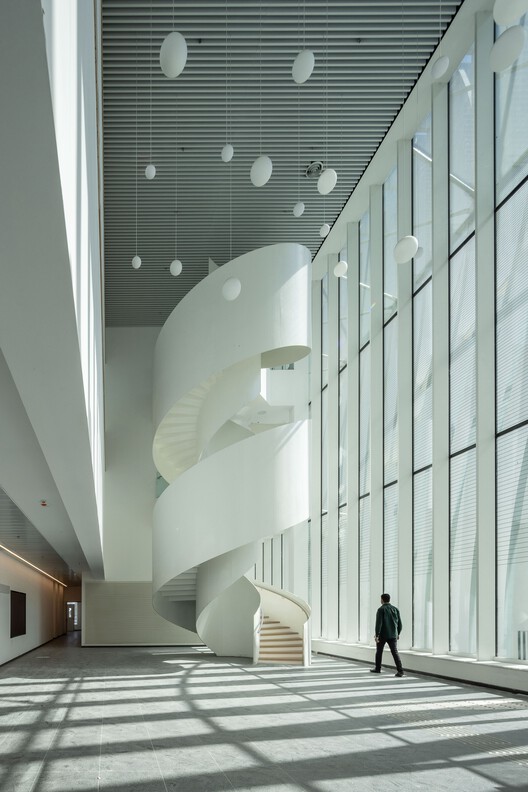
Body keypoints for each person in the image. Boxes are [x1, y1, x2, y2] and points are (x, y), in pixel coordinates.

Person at [370, 593, 404, 677]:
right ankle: (400, 671)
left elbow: (379, 624)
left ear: (382, 599)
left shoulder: (381, 610)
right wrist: (397, 633)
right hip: (393, 635)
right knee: (395, 652)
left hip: (383, 635)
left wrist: (377, 635)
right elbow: (400, 624)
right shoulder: (395, 609)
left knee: (379, 652)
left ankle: (378, 669)